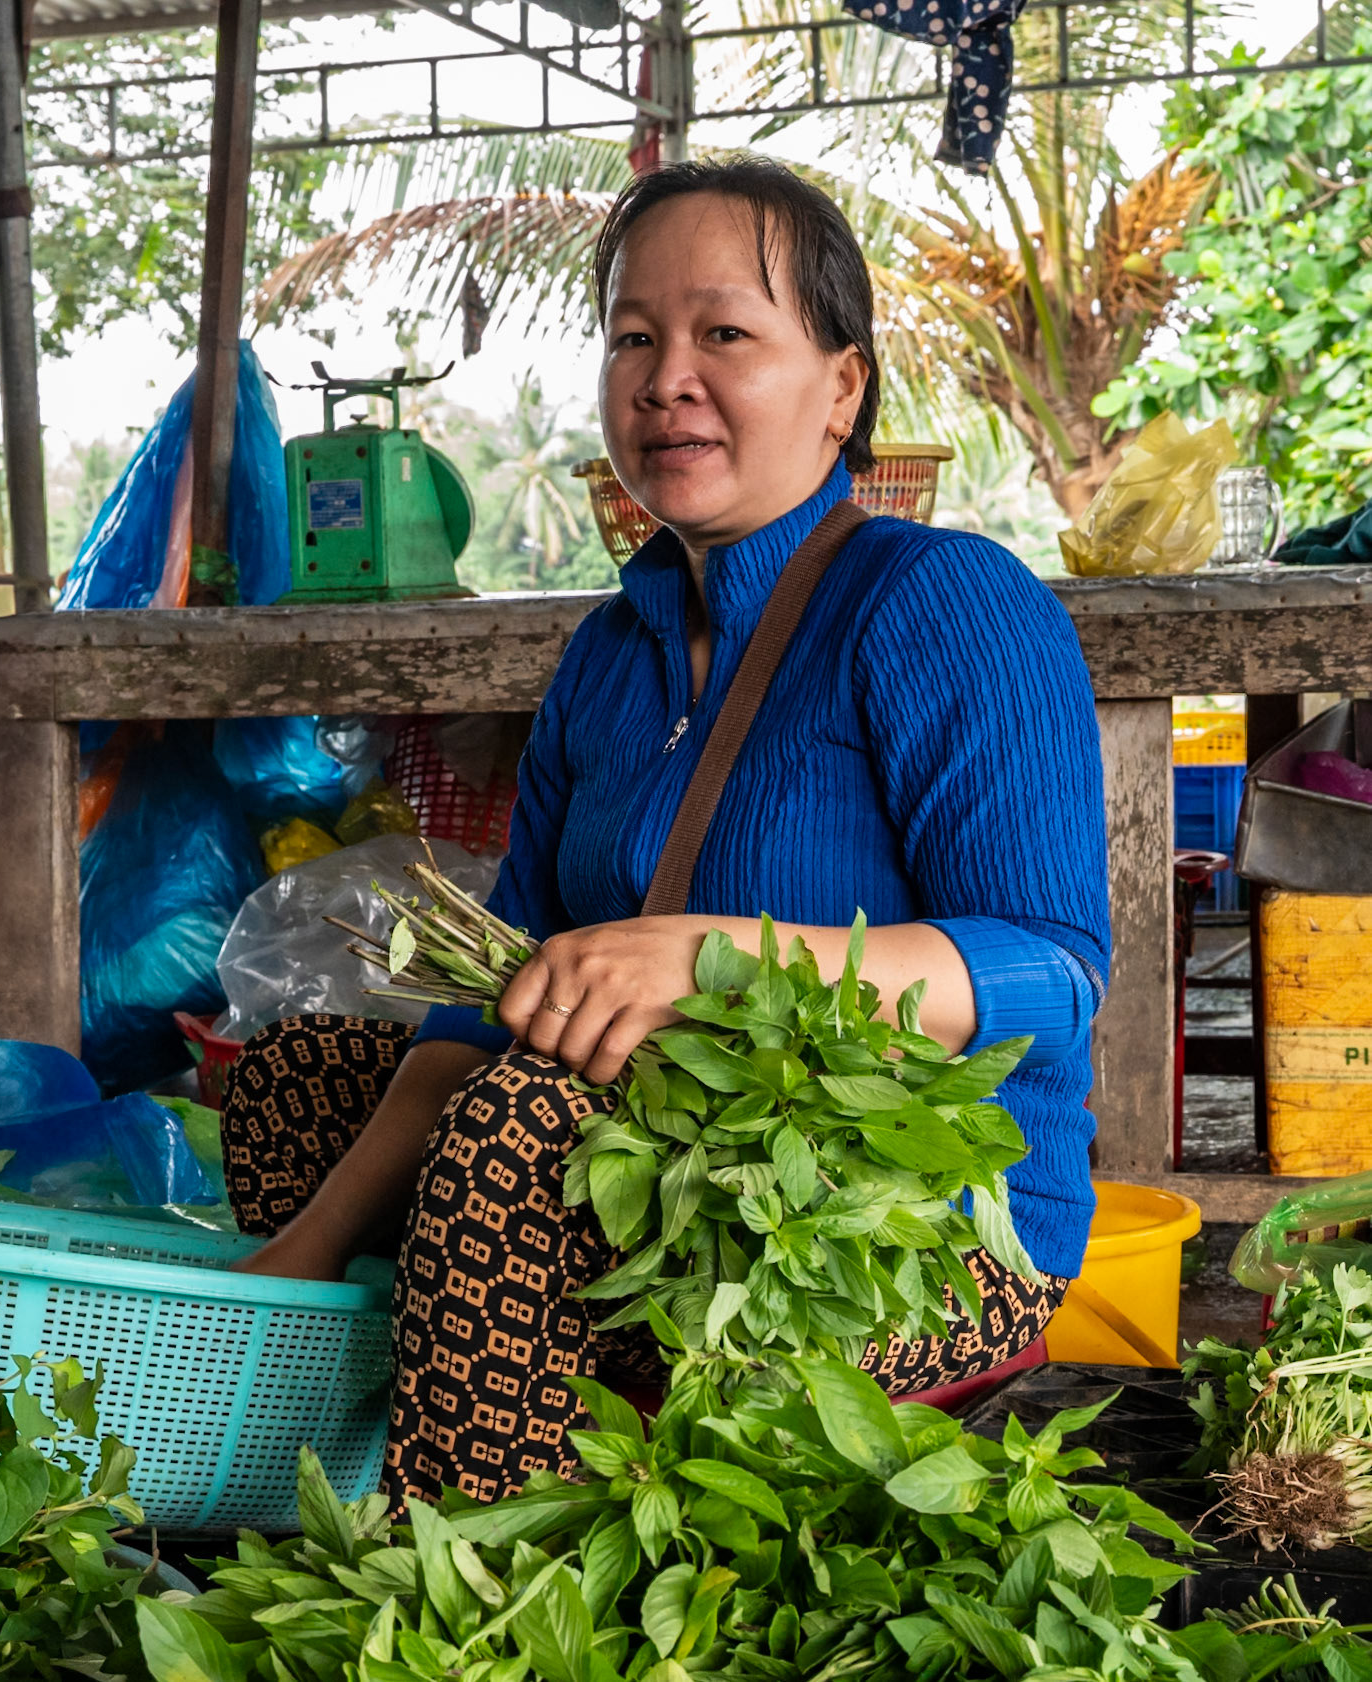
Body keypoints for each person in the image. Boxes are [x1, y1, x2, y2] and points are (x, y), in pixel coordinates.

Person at [220, 154, 1110, 1513]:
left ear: (842, 388)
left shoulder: (942, 603)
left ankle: (464, 1588)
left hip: (905, 1227)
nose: (663, 377)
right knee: (299, 1078)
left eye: (725, 334)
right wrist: (303, 1250)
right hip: (659, 1159)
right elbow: (494, 995)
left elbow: (1050, 975)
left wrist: (721, 960)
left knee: (520, 1131)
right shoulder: (608, 654)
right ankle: (361, 1458)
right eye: (632, 336)